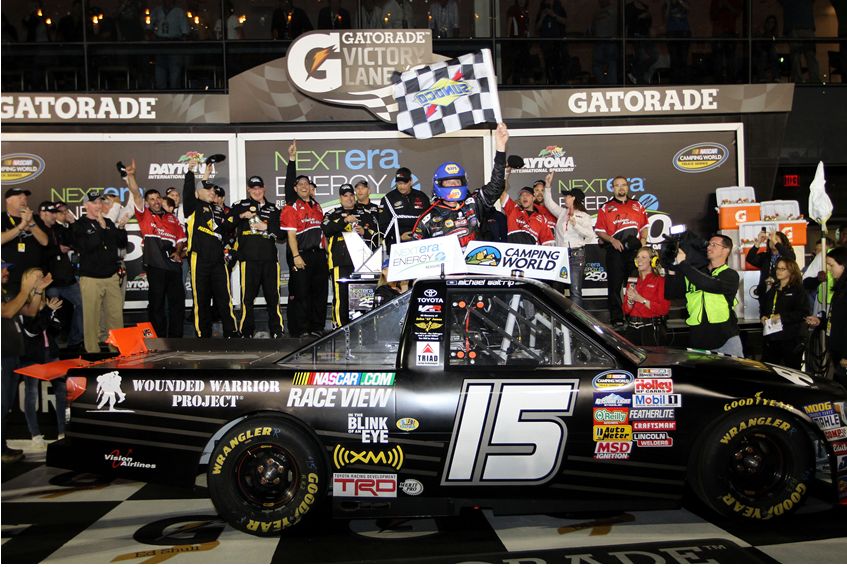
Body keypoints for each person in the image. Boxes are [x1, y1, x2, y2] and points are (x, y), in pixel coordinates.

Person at [413, 123, 509, 245]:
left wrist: (500, 148)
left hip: (475, 257)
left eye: (457, 181)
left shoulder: (473, 204)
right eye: (449, 182)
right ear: (439, 184)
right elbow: (414, 250)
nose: (454, 185)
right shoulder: (427, 219)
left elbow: (496, 186)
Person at [125, 160, 187, 338]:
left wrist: (178, 251)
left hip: (174, 267)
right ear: (146, 203)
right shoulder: (144, 215)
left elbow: (181, 239)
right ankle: (158, 339)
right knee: (157, 304)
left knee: (177, 304)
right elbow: (136, 194)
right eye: (151, 199)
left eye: (158, 198)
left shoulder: (172, 218)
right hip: (156, 266)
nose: (156, 201)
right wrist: (131, 176)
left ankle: (176, 339)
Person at [182, 159, 239, 338]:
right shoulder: (193, 207)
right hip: (199, 258)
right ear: (198, 193)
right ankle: (203, 335)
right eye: (208, 190)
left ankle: (231, 332)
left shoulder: (218, 210)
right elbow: (190, 190)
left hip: (218, 260)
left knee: (224, 297)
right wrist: (191, 171)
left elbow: (225, 231)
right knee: (201, 299)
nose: (212, 192)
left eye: (213, 191)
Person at [666, 234, 742, 356]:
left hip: (725, 340)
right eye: (708, 244)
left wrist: (684, 263)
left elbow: (708, 284)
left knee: (735, 369)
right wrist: (671, 267)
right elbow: (671, 293)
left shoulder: (730, 275)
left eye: (714, 245)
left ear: (726, 250)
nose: (709, 247)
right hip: (698, 340)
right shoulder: (696, 272)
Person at [228, 175, 285, 338]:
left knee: (273, 297)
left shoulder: (274, 209)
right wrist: (241, 216)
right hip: (248, 259)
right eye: (253, 188)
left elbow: (282, 235)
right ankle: (246, 332)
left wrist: (266, 227)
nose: (257, 191)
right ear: (248, 190)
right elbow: (227, 225)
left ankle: (277, 330)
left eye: (259, 188)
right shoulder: (240, 205)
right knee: (247, 298)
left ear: (264, 188)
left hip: (270, 260)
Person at [73, 189, 127, 353]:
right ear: (85, 205)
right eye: (94, 202)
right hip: (91, 278)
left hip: (111, 276)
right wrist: (101, 229)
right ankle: (92, 352)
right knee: (91, 317)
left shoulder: (108, 222)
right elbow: (86, 247)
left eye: (100, 202)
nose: (98, 205)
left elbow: (122, 244)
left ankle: (117, 350)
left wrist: (121, 228)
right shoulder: (79, 225)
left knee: (115, 316)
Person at [19, 267, 67, 451]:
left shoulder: (47, 302)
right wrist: (47, 311)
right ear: (26, 280)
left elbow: (55, 330)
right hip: (31, 357)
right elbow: (32, 331)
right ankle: (35, 435)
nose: (40, 279)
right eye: (36, 277)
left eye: (41, 276)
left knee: (61, 391)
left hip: (51, 354)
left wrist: (51, 314)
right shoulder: (21, 304)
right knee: (31, 394)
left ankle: (62, 432)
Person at [1, 264, 45, 463]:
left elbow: (30, 311)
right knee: (1, 405)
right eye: (2, 269)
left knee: (5, 406)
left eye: (6, 269)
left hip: (12, 355)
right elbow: (8, 312)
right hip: (2, 357)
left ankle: (2, 448)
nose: (7, 272)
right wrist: (25, 290)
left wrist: (38, 291)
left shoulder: (6, 292)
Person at [594, 176, 648, 329]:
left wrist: (643, 240)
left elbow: (644, 226)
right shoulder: (606, 207)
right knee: (615, 286)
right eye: (617, 185)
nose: (621, 188)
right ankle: (617, 318)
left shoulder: (637, 205)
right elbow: (599, 231)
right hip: (615, 251)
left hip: (634, 252)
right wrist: (612, 240)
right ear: (613, 188)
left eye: (623, 185)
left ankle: (634, 315)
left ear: (628, 187)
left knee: (634, 285)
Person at [322, 183, 379, 328]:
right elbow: (327, 229)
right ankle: (340, 328)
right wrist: (345, 220)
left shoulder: (365, 213)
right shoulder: (332, 213)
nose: (349, 198)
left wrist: (365, 232)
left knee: (362, 297)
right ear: (340, 198)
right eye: (345, 196)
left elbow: (378, 235)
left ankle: (361, 329)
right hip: (340, 261)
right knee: (341, 295)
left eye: (351, 195)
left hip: (361, 262)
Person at [281, 171, 328, 338]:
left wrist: (326, 253)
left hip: (319, 255)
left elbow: (322, 233)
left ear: (310, 187)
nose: (303, 186)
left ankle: (317, 327)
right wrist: (296, 256)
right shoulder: (291, 207)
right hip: (301, 254)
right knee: (301, 293)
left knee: (320, 293)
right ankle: (300, 329)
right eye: (300, 184)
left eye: (306, 184)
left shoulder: (317, 206)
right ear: (295, 188)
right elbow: (291, 235)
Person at [38, 201, 84, 351]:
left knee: (83, 305)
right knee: (53, 311)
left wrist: (72, 224)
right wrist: (58, 250)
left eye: (57, 212)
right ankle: (53, 342)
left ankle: (75, 340)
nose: (55, 215)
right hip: (50, 281)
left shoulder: (59, 228)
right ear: (43, 214)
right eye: (55, 212)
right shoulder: (38, 230)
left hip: (67, 279)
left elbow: (76, 241)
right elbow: (40, 254)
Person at [543, 179, 595, 306]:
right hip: (561, 254)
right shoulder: (562, 212)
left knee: (575, 290)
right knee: (557, 289)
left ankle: (576, 318)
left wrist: (576, 224)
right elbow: (549, 203)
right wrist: (548, 186)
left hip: (576, 255)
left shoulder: (584, 216)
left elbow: (590, 235)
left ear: (573, 198)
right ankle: (556, 316)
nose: (565, 198)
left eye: (567, 196)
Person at [759, 258, 809, 369]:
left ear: (791, 271)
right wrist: (763, 316)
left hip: (790, 338)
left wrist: (782, 317)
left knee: (791, 370)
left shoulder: (798, 290)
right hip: (771, 337)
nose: (779, 271)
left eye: (783, 269)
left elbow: (802, 313)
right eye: (778, 268)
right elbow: (764, 307)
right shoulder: (773, 288)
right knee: (769, 369)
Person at [807, 246, 847, 387]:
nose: (829, 269)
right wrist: (821, 321)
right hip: (837, 352)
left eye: (831, 265)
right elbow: (837, 319)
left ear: (843, 265)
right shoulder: (839, 289)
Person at [2, 187, 48, 295]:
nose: (24, 200)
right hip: (10, 277)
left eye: (25, 198)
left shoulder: (36, 219)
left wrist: (31, 223)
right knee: (13, 305)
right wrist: (22, 225)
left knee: (35, 305)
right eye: (19, 197)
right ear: (8, 200)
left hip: (34, 277)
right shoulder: (2, 218)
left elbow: (44, 241)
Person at [623, 247, 670, 346]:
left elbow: (663, 309)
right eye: (638, 257)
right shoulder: (632, 279)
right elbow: (626, 310)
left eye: (643, 257)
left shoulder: (660, 280)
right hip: (631, 329)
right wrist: (630, 301)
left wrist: (641, 300)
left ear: (653, 261)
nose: (639, 260)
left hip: (650, 329)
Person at [378, 166, 430, 252]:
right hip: (396, 244)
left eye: (405, 183)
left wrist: (420, 234)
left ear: (411, 181)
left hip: (420, 244)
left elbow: (429, 220)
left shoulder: (422, 197)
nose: (402, 186)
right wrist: (399, 237)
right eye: (399, 183)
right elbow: (383, 225)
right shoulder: (388, 199)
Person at [149, 0, 189, 89]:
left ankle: (174, 92)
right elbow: (149, 27)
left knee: (175, 72)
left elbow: (185, 31)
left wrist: (182, 45)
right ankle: (161, 92)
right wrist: (152, 36)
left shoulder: (179, 12)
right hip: (160, 43)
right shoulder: (157, 11)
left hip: (174, 43)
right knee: (160, 70)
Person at [746, 229, 795, 299]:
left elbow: (791, 257)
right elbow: (750, 258)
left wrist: (775, 241)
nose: (772, 241)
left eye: (776, 239)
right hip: (765, 295)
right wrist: (758, 241)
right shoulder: (765, 256)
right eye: (770, 240)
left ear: (782, 243)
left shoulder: (786, 256)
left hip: (783, 293)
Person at [780, 0, 820, 83]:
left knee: (797, 55)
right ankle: (814, 79)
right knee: (809, 54)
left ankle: (799, 79)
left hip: (794, 26)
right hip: (804, 25)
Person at [536, 0, 568, 84]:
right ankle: (549, 82)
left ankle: (559, 82)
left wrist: (553, 15)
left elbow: (565, 21)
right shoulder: (541, 9)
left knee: (558, 64)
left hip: (558, 43)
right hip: (545, 43)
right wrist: (542, 17)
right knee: (547, 64)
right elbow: (537, 27)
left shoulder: (559, 8)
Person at [664, 0, 690, 83]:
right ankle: (675, 80)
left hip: (684, 31)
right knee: (674, 57)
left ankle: (684, 79)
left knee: (683, 57)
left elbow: (689, 8)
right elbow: (665, 17)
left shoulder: (683, 2)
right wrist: (668, 4)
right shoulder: (667, 3)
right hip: (672, 31)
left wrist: (680, 1)